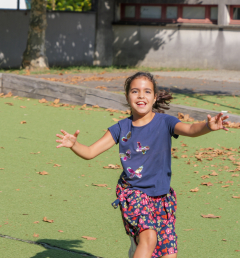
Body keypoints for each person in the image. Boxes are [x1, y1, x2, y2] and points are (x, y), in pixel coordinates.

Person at [55, 72, 229, 258]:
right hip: (134, 192)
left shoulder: (165, 122)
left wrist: (208, 126)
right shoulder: (120, 128)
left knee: (169, 253)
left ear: (154, 98)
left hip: (162, 197)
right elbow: (90, 152)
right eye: (135, 91)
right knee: (149, 238)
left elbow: (190, 129)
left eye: (147, 91)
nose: (140, 96)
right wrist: (74, 145)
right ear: (127, 96)